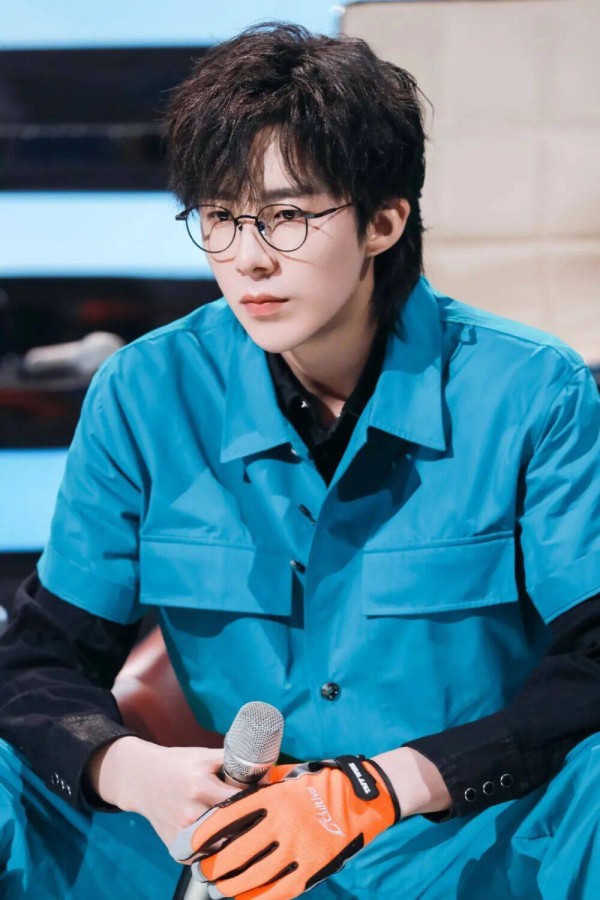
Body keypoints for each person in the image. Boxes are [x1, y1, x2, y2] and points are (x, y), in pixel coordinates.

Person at [1, 20, 600, 900]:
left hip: (472, 841)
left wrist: (378, 787)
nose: (248, 259)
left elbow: (592, 662)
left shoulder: (532, 390)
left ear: (383, 221)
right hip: (223, 842)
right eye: (219, 218)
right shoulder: (145, 391)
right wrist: (134, 773)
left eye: (285, 216)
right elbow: (41, 660)